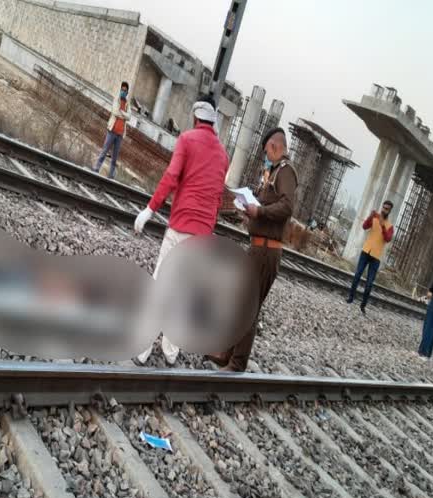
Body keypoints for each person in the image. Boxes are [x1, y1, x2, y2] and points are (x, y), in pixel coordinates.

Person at [132, 95, 229, 365]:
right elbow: (217, 197)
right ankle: (171, 351)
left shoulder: (187, 139)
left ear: (196, 116)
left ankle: (143, 349)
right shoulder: (223, 155)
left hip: (180, 227)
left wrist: (150, 209)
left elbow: (171, 177)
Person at [206, 127, 298, 372]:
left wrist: (260, 212)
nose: (266, 155)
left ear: (275, 147)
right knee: (240, 298)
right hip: (258, 247)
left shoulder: (286, 172)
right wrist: (249, 211)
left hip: (267, 251)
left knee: (249, 304)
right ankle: (226, 351)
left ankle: (237, 363)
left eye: (267, 150)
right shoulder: (274, 173)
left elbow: (287, 206)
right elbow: (268, 205)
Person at [346, 200, 395, 314]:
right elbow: (364, 226)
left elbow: (387, 239)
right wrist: (370, 217)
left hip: (376, 257)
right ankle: (350, 298)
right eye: (383, 207)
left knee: (369, 283)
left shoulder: (390, 226)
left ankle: (363, 305)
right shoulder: (375, 218)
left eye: (387, 209)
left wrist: (383, 226)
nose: (384, 210)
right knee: (357, 275)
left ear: (390, 211)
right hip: (366, 251)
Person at [92, 82, 132, 179]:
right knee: (104, 150)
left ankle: (111, 175)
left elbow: (129, 117)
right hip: (112, 130)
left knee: (115, 156)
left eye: (125, 90)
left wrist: (121, 113)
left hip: (120, 134)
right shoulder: (116, 100)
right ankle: (96, 168)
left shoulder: (127, 104)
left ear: (127, 92)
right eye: (122, 89)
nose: (123, 91)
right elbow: (114, 112)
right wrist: (123, 115)